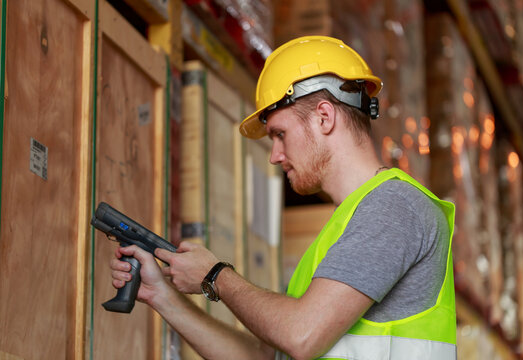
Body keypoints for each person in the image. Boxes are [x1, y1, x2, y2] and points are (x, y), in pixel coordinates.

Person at [110, 35, 457, 359]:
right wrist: (163, 297)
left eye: (280, 134)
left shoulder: (394, 207)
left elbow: (302, 335)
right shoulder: (344, 226)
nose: (274, 155)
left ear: (324, 117)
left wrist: (215, 275)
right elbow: (271, 355)